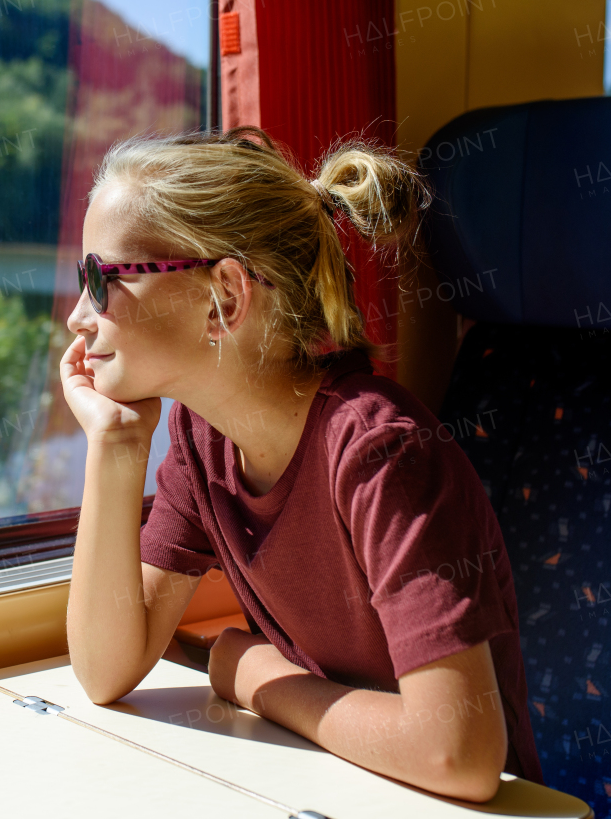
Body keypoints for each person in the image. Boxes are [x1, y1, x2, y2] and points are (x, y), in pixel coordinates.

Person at [59, 126, 542, 801]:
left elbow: (456, 756)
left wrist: (260, 678)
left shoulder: (379, 452)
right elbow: (104, 670)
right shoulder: (202, 439)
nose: (79, 316)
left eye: (100, 280)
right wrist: (114, 447)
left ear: (223, 296)